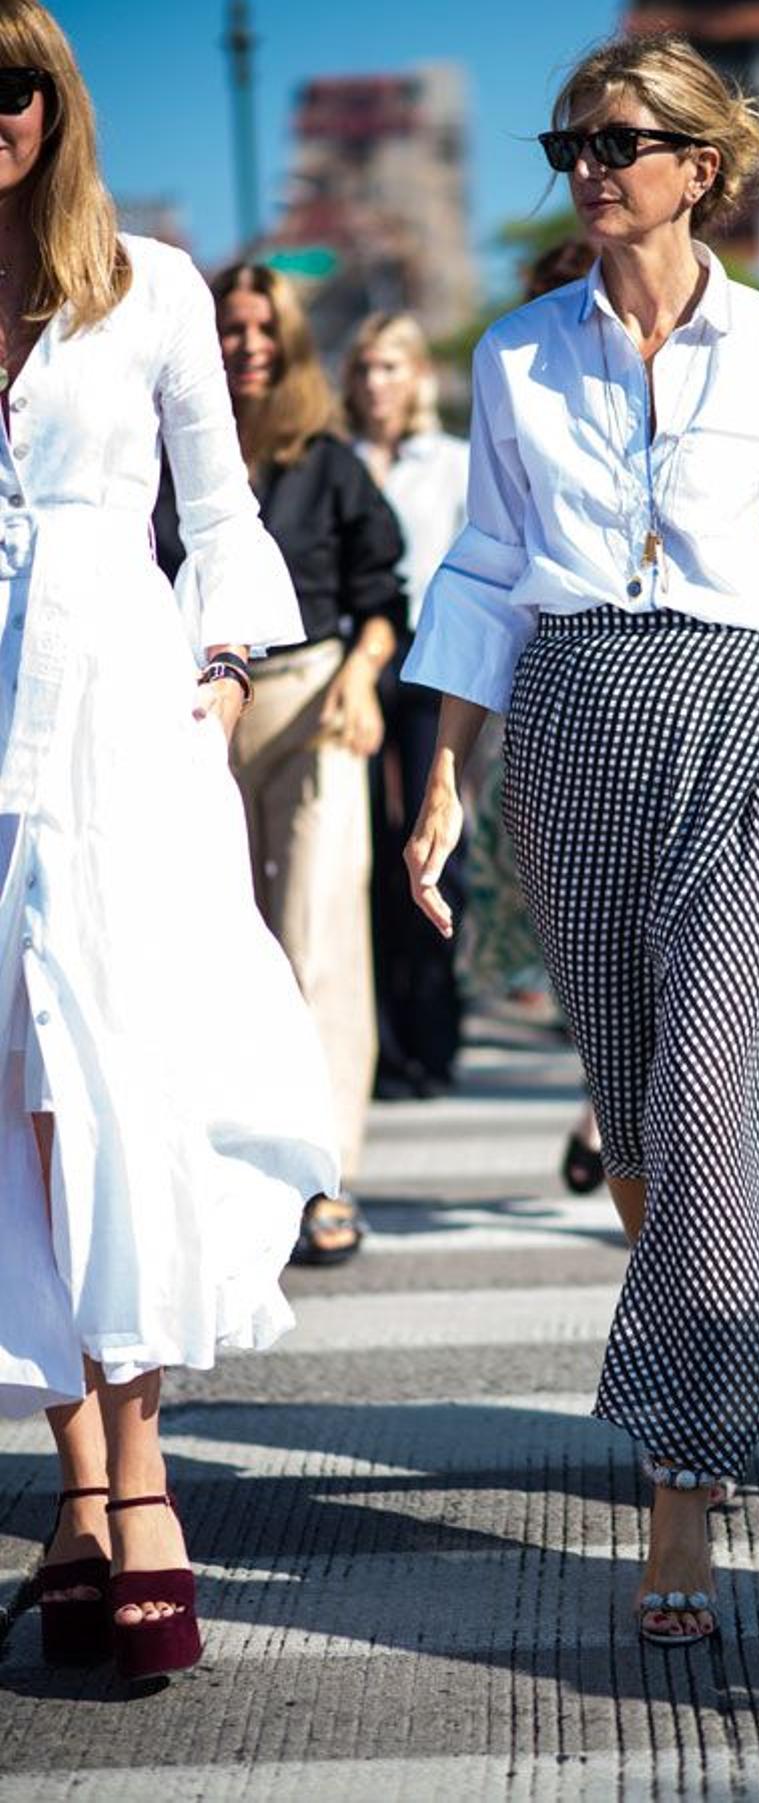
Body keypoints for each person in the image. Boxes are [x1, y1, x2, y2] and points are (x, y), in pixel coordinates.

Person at [402, 34, 759, 1648]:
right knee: (635, 1119)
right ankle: (692, 1393)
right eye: (570, 144)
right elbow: (487, 570)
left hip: (733, 730)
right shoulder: (514, 355)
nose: (588, 168)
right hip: (570, 734)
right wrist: (441, 782)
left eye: (619, 142)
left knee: (712, 1100)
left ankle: (682, 1476)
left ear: (702, 163)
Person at [0, 1, 338, 1681]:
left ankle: (142, 1475)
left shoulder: (150, 287)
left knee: (110, 1079)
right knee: (10, 1097)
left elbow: (216, 509)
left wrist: (218, 670)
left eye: (13, 85)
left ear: (59, 102)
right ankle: (73, 1482)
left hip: (118, 718)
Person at [155, 267, 405, 1261]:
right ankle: (224, 1166)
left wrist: (361, 676)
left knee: (318, 938)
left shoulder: (329, 460)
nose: (246, 343)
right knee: (210, 940)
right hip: (193, 704)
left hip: (310, 702)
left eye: (264, 328)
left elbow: (385, 594)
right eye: (229, 327)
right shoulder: (171, 453)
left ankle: (328, 1176)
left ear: (291, 342)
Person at [342, 312, 468, 1098]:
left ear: (418, 375)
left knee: (426, 848)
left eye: (391, 367)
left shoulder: (453, 464)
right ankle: (382, 1042)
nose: (376, 383)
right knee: (365, 850)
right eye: (364, 369)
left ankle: (435, 1032)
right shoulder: (340, 461)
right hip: (360, 661)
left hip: (433, 660)